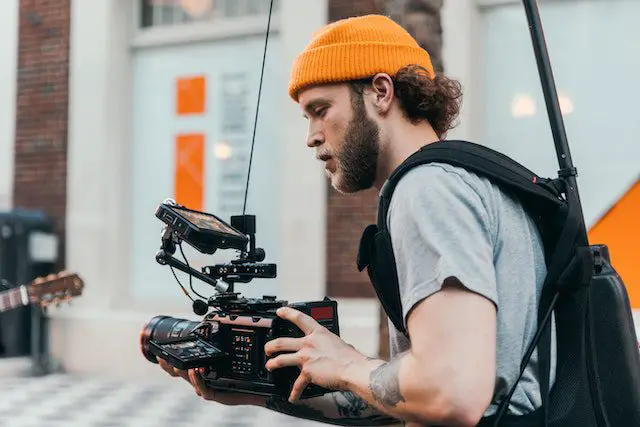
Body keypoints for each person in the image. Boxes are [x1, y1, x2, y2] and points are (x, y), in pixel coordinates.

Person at [156, 14, 554, 427]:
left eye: (320, 109)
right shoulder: (470, 178)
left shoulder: (427, 189)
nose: (311, 135)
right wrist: (260, 391)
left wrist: (347, 364)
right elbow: (410, 395)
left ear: (381, 92)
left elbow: (450, 393)